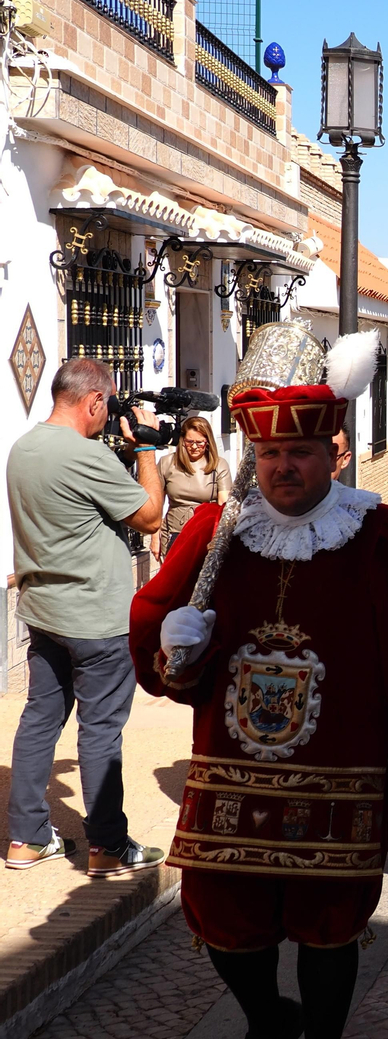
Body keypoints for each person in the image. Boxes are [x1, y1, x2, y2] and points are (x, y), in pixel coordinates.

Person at [130, 328, 388, 1039]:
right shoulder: (217, 531)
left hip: (342, 781)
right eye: (270, 453)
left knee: (328, 933)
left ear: (331, 455)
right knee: (225, 927)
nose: (283, 467)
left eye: (299, 453)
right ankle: (268, 1020)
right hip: (229, 781)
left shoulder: (380, 538)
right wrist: (174, 650)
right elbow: (157, 641)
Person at [5, 358, 166, 875]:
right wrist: (144, 447)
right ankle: (106, 846)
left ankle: (26, 840)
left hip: (44, 611)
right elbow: (149, 515)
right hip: (96, 617)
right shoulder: (84, 456)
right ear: (94, 401)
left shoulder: (23, 447)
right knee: (101, 731)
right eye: (107, 404)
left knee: (38, 721)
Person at [156, 416, 232, 560]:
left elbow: (224, 504)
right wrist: (155, 537)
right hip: (173, 533)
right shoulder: (166, 463)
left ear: (208, 442)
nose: (195, 447)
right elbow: (156, 503)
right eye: (190, 442)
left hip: (205, 535)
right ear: (182, 440)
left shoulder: (219, 465)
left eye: (200, 442)